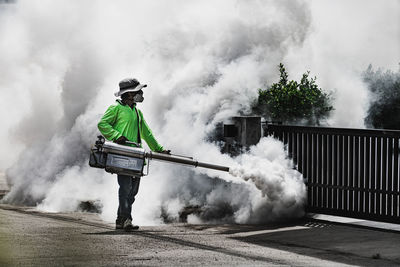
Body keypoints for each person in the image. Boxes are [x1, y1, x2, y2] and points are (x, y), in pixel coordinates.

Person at [98, 78, 169, 231]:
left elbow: (146, 133)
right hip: (122, 156)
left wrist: (159, 149)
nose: (140, 94)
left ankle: (120, 219)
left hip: (136, 157)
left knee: (133, 191)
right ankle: (126, 220)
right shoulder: (115, 108)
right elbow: (102, 124)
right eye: (137, 91)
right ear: (128, 94)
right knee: (125, 188)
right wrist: (116, 136)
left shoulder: (137, 111)